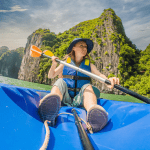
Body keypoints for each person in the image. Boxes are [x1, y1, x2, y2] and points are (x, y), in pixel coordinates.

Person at [38, 38, 120, 133]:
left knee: (88, 86)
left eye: (85, 47)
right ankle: (50, 110)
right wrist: (54, 64)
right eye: (81, 45)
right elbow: (51, 75)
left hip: (80, 100)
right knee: (60, 81)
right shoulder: (65, 63)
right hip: (65, 98)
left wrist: (108, 80)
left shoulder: (90, 65)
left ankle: (93, 115)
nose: (84, 48)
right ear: (73, 48)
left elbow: (99, 76)